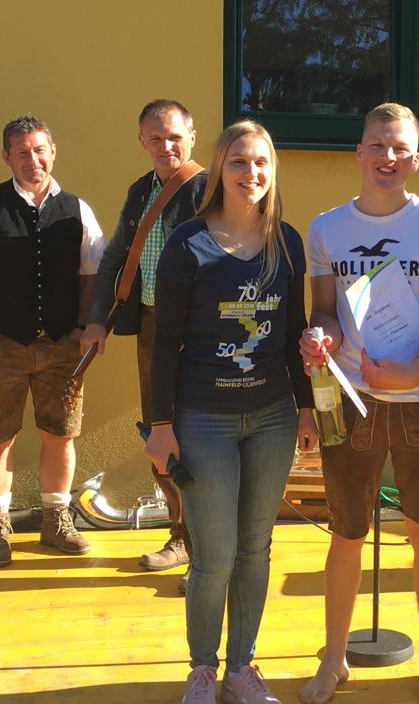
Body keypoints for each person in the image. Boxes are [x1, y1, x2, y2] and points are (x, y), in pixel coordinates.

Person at [298, 103, 419, 704]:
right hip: (352, 401)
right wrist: (321, 337)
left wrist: (413, 372)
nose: (387, 158)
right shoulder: (326, 228)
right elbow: (324, 311)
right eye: (377, 145)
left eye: (399, 149)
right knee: (346, 534)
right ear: (359, 152)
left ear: (416, 160)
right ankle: (334, 659)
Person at [144, 119, 318, 704]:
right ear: (220, 169)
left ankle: (241, 669)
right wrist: (160, 425)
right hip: (203, 420)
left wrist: (305, 408)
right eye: (239, 161)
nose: (252, 172)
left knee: (255, 550)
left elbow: (293, 332)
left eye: (262, 162)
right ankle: (202, 669)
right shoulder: (187, 243)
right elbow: (165, 342)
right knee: (213, 556)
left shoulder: (286, 242)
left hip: (271, 418)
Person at [0, 114, 105, 568]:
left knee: (60, 435)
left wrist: (84, 326)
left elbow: (92, 274)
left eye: (39, 150)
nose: (32, 159)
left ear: (53, 152)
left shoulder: (78, 209)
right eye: (22, 152)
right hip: (0, 342)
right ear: (6, 157)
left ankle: (56, 520)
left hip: (62, 345)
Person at [82, 99, 208, 590]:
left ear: (192, 136)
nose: (166, 145)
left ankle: (206, 553)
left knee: (200, 438)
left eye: (174, 136)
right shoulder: (139, 191)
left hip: (199, 330)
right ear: (142, 141)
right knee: (159, 434)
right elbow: (116, 257)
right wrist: (98, 321)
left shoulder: (209, 188)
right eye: (156, 138)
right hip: (154, 327)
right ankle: (181, 536)